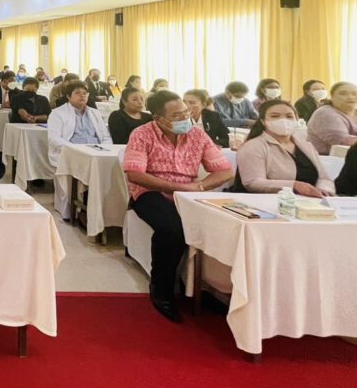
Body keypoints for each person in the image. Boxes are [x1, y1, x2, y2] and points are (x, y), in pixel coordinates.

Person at [122, 90, 233, 322]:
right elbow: (135, 174)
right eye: (177, 116)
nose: (185, 118)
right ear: (159, 119)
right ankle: (162, 288)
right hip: (150, 192)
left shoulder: (197, 135)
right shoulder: (142, 134)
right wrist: (174, 187)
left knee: (216, 225)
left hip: (189, 193)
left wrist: (200, 186)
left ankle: (202, 286)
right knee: (172, 229)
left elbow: (224, 171)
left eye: (186, 112)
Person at [235, 100, 334, 196]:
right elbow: (253, 182)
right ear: (263, 121)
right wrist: (294, 186)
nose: (283, 120)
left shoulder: (306, 146)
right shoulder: (253, 146)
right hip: (271, 201)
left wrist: (324, 189)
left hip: (311, 201)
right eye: (275, 116)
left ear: (296, 120)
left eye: (289, 116)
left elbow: (324, 178)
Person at [47, 81, 112, 166]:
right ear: (68, 96)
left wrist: (103, 150)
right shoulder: (57, 113)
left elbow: (106, 136)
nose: (82, 95)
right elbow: (54, 138)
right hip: (72, 153)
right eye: (77, 93)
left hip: (96, 153)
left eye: (85, 93)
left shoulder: (95, 113)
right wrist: (77, 150)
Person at [307, 81, 357, 155]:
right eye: (343, 93)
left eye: (354, 94)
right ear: (332, 97)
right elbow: (341, 140)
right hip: (326, 158)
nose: (350, 97)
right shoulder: (325, 113)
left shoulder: (355, 112)